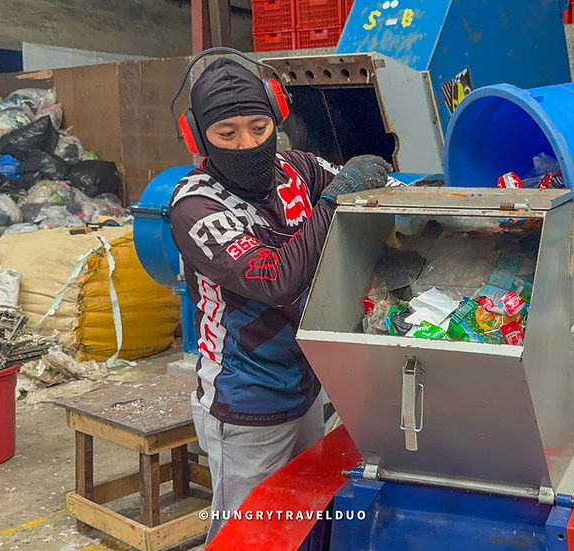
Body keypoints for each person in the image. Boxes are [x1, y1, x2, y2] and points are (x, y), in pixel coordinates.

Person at [167, 54, 392, 542]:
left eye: (258, 126)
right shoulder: (196, 206)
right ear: (198, 137)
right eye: (227, 134)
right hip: (245, 399)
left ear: (277, 116)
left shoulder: (298, 169)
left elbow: (375, 197)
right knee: (247, 535)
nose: (248, 143)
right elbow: (274, 279)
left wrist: (465, 208)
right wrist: (335, 202)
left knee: (304, 515)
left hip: (308, 381)